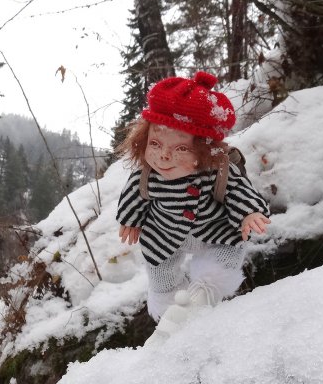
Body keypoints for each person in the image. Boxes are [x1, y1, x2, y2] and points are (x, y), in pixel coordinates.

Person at [116, 71, 271, 342]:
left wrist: (250, 213)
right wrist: (130, 219)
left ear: (204, 150)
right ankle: (170, 314)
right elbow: (134, 194)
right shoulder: (147, 173)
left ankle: (204, 295)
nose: (164, 155)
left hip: (214, 231)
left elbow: (238, 191)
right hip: (164, 236)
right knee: (160, 272)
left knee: (227, 255)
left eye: (180, 149)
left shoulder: (218, 170)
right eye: (155, 143)